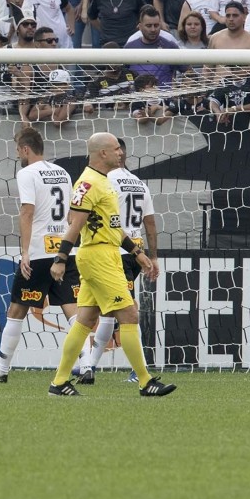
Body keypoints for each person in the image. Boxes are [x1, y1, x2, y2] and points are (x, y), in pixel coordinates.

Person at [46, 132, 175, 397]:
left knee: (85, 320)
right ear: (102, 153)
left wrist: (137, 253)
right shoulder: (88, 184)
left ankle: (59, 382)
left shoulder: (105, 182)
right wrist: (60, 259)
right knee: (129, 314)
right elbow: (74, 226)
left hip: (108, 253)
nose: (121, 153)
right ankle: (145, 381)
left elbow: (114, 228)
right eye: (116, 149)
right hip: (98, 257)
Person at [0, 128, 82, 383]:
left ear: (25, 149)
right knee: (74, 311)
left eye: (17, 150)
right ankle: (86, 365)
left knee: (16, 310)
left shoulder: (26, 173)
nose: (17, 155)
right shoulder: (63, 173)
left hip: (39, 253)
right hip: (65, 251)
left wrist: (25, 252)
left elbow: (27, 212)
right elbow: (71, 214)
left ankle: (0, 370)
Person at [81, 137, 159, 380]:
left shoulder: (107, 180)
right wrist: (153, 257)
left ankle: (137, 371)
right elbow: (150, 223)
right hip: (137, 251)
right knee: (108, 311)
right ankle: (89, 367)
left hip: (116, 251)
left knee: (124, 311)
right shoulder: (139, 183)